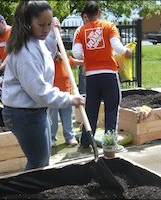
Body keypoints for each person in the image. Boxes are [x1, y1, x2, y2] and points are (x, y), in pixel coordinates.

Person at [1, 0, 85, 171]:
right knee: (38, 163)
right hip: (24, 114)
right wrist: (70, 99)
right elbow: (40, 92)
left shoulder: (36, 41)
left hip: (34, 111)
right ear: (27, 23)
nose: (46, 29)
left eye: (49, 23)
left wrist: (54, 34)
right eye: (41, 25)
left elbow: (48, 53)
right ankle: (29, 194)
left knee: (42, 159)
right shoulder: (25, 53)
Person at [72, 1, 132, 149]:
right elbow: (117, 47)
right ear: (99, 12)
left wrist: (90, 55)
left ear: (87, 14)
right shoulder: (108, 26)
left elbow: (77, 53)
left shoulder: (81, 31)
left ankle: (85, 142)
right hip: (109, 74)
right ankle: (110, 144)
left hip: (91, 76)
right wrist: (127, 51)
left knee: (91, 110)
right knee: (111, 109)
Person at [50, 50, 84, 147]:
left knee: (67, 116)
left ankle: (69, 137)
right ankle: (52, 138)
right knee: (53, 117)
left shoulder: (65, 58)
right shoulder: (49, 60)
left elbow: (73, 61)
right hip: (54, 94)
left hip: (66, 93)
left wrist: (86, 61)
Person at [73, 10, 89, 95]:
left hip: (97, 65)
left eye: (88, 17)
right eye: (85, 17)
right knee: (84, 91)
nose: (87, 19)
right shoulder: (80, 31)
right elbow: (76, 52)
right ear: (82, 19)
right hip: (84, 64)